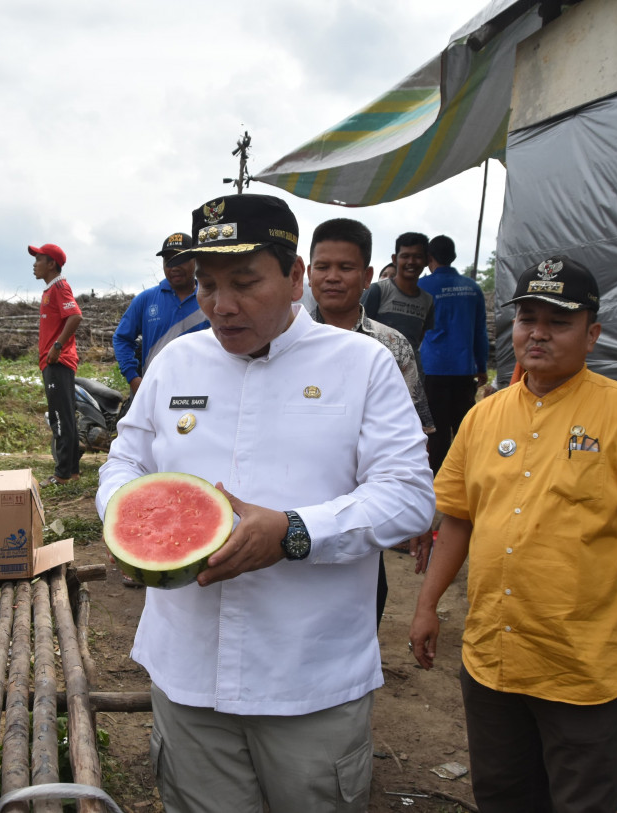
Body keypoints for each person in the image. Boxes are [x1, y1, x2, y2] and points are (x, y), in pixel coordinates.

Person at [98, 194, 433, 813]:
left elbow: (409, 497)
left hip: (308, 679)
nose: (222, 306)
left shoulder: (363, 365)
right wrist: (130, 517)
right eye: (207, 285)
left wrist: (294, 532)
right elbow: (126, 458)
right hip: (187, 670)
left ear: (295, 276)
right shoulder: (176, 360)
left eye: (245, 282)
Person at [408, 256, 617, 813]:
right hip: (492, 654)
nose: (538, 333)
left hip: (579, 663)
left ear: (592, 334)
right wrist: (427, 605)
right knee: (503, 794)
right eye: (527, 318)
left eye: (558, 321)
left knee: (582, 799)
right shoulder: (484, 416)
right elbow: (458, 516)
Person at [307, 217, 436, 627]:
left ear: (366, 277)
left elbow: (417, 432)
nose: (332, 277)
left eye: (345, 268)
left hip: (363, 504)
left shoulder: (391, 345)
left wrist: (415, 502)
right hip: (294, 494)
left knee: (360, 600)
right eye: (322, 267)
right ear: (306, 272)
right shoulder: (280, 341)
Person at [416, 235, 489, 473]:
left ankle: (437, 481)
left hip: (432, 368)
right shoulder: (472, 288)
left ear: (429, 258)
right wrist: (482, 366)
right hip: (463, 368)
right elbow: (480, 332)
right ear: (454, 256)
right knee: (464, 428)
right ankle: (466, 477)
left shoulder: (422, 287)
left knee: (435, 431)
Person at [112, 232, 208, 394]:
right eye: (168, 260)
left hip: (200, 390)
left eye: (181, 259)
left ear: (195, 260)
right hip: (154, 391)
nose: (174, 266)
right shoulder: (146, 300)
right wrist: (133, 377)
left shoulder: (210, 299)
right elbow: (122, 338)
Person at [31, 242, 83, 486]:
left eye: (38, 259)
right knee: (66, 415)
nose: (34, 264)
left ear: (51, 263)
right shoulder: (50, 290)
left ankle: (61, 474)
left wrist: (57, 346)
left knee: (59, 417)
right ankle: (71, 470)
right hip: (54, 361)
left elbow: (75, 316)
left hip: (57, 361)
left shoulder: (60, 287)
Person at [362, 232, 435, 371]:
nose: (411, 262)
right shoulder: (378, 290)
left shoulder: (427, 300)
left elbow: (419, 338)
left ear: (427, 260)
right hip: (375, 370)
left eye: (418, 257)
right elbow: (358, 330)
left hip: (409, 374)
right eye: (405, 256)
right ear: (395, 259)